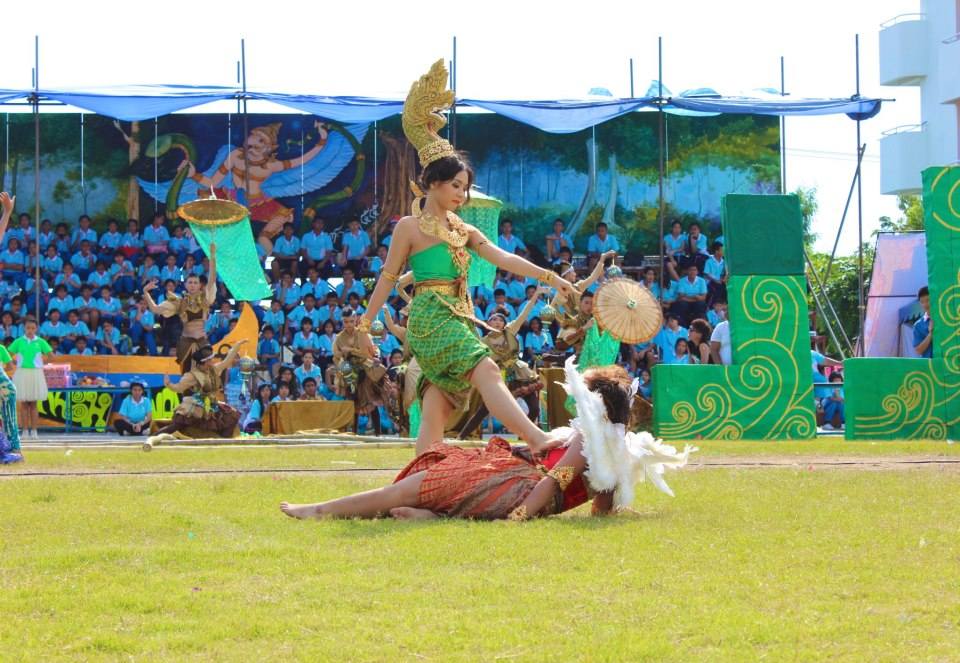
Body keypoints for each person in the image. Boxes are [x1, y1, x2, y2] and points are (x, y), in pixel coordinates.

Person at [355, 61, 577, 454]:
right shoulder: (409, 226)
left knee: (440, 400)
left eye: (465, 187)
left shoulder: (463, 229)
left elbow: (502, 257)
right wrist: (365, 324)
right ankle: (538, 439)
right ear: (434, 183)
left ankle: (422, 473)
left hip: (457, 312)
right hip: (430, 317)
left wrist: (550, 277)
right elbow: (388, 278)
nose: (461, 193)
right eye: (456, 185)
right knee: (487, 368)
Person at [280, 358, 693, 521]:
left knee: (429, 479)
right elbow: (600, 504)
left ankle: (321, 510)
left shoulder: (591, 442)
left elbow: (554, 482)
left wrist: (518, 518)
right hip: (514, 480)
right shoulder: (614, 448)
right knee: (434, 468)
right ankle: (435, 517)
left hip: (515, 488)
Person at [143, 243, 218, 373]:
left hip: (202, 342)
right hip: (185, 342)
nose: (193, 285)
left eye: (195, 282)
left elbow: (212, 279)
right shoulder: (179, 302)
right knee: (186, 375)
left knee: (206, 371)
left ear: (200, 285)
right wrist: (145, 292)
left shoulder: (205, 300)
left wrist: (212, 256)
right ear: (185, 284)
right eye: (190, 282)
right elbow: (155, 309)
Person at [157, 341, 248, 438]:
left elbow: (226, 362)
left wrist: (237, 346)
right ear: (204, 362)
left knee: (231, 417)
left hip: (212, 403)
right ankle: (154, 436)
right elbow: (178, 388)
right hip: (197, 405)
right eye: (210, 360)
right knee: (177, 425)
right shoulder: (192, 375)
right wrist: (168, 384)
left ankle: (224, 443)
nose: (212, 361)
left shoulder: (214, 369)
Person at [334, 308, 387, 434]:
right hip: (350, 370)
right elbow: (336, 355)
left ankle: (378, 434)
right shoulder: (339, 338)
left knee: (371, 401)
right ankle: (354, 432)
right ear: (342, 322)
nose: (349, 325)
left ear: (356, 320)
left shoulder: (363, 333)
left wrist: (352, 350)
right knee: (353, 401)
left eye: (351, 321)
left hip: (365, 367)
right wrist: (342, 358)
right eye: (346, 322)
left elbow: (372, 350)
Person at [8, 317, 52, 440]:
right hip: (22, 373)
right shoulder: (19, 341)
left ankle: (34, 430)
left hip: (36, 374)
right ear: (24, 328)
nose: (30, 330)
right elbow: (8, 354)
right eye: (28, 328)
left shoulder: (41, 342)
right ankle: (25, 431)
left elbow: (51, 355)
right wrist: (14, 364)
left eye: (33, 328)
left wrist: (41, 364)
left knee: (33, 404)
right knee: (23, 404)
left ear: (36, 329)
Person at [913, 286, 933, 358]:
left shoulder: (946, 319)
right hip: (929, 367)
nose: (925, 305)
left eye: (928, 300)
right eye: (922, 302)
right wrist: (931, 334)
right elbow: (918, 351)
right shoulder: (918, 325)